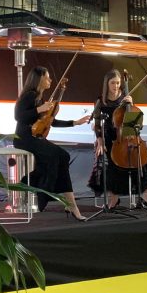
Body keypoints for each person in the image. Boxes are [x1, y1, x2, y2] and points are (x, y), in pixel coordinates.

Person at [14, 66, 90, 220]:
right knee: (59, 155)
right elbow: (18, 116)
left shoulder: (40, 98)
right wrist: (38, 109)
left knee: (63, 157)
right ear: (40, 78)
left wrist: (75, 122)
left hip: (36, 137)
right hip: (24, 138)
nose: (50, 80)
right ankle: (44, 189)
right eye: (47, 77)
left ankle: (68, 203)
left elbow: (50, 121)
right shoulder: (29, 95)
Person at [88, 69, 147, 209]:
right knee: (108, 162)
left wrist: (131, 105)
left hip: (129, 136)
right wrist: (100, 141)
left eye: (118, 83)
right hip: (110, 137)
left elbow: (135, 121)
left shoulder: (125, 98)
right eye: (113, 83)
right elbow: (97, 124)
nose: (116, 86)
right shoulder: (100, 101)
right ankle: (114, 199)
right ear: (107, 84)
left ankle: (146, 195)